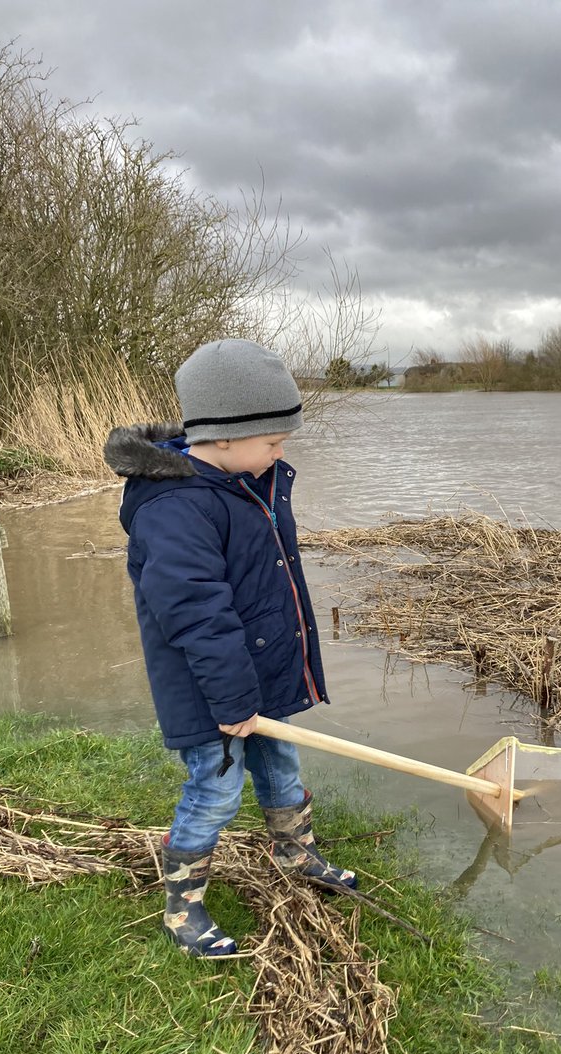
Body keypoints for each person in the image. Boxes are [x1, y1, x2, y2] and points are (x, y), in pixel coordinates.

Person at [104, 338, 356, 958]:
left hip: (258, 672)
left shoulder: (247, 483)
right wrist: (233, 700)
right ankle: (182, 907)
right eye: (272, 441)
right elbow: (196, 613)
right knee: (215, 792)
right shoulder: (172, 508)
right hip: (210, 688)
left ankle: (297, 856)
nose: (280, 452)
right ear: (222, 436)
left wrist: (270, 679)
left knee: (282, 767)